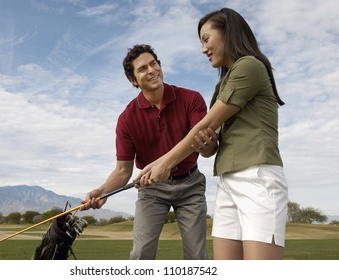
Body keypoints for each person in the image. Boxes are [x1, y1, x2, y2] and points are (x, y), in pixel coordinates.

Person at [137, 8, 289, 260]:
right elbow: (209, 140)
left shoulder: (249, 66)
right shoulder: (223, 84)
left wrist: (165, 162)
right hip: (227, 181)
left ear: (228, 32)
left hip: (258, 178)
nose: (204, 49)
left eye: (206, 39)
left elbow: (207, 121)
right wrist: (206, 146)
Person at [81, 44, 217, 260]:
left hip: (190, 185)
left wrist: (209, 146)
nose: (152, 70)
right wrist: (103, 190)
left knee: (196, 256)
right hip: (152, 189)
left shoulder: (191, 99)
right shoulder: (126, 119)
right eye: (142, 68)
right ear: (133, 80)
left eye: (154, 64)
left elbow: (207, 148)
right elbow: (122, 170)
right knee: (141, 253)